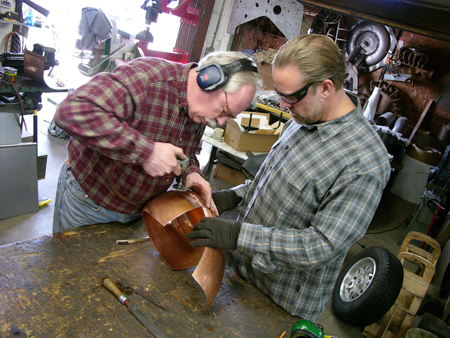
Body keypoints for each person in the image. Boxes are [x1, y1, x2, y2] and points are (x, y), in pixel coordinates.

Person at [187, 34, 391, 321]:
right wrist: (232, 196)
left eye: (290, 97)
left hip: (278, 301)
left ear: (325, 87)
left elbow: (321, 244)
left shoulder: (364, 161)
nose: (283, 106)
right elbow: (270, 181)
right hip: (240, 271)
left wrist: (237, 235)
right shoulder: (303, 118)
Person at [52, 51, 262, 233]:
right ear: (208, 80)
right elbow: (71, 111)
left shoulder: (200, 110)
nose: (221, 122)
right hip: (88, 203)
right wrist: (147, 152)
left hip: (140, 212)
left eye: (229, 116)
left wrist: (192, 172)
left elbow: (184, 152)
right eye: (224, 111)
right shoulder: (147, 78)